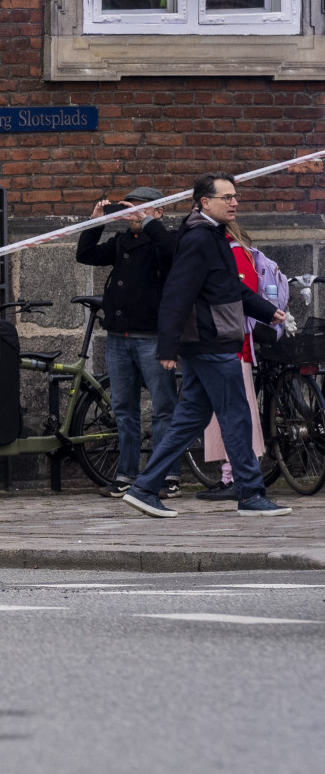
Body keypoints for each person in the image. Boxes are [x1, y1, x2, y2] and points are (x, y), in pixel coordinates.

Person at [122, 174, 289, 518]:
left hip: (208, 342)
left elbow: (232, 289)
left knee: (189, 419)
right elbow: (177, 292)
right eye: (226, 197)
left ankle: (144, 487)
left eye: (235, 196)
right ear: (204, 202)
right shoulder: (200, 238)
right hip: (211, 342)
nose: (234, 203)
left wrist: (269, 311)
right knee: (237, 416)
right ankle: (251, 494)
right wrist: (167, 347)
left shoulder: (214, 236)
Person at [75, 186, 179, 498]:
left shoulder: (164, 238)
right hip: (119, 336)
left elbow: (171, 253)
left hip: (151, 337)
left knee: (163, 407)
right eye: (129, 208)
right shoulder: (121, 241)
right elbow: (86, 255)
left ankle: (165, 475)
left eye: (140, 208)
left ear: (158, 211)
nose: (132, 213)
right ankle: (126, 474)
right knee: (123, 407)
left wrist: (147, 221)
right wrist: (95, 223)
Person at [191, 217, 272, 502]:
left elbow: (237, 297)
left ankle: (236, 476)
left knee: (234, 414)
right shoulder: (233, 251)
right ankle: (232, 475)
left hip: (230, 344)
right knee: (225, 414)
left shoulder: (231, 252)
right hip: (228, 343)